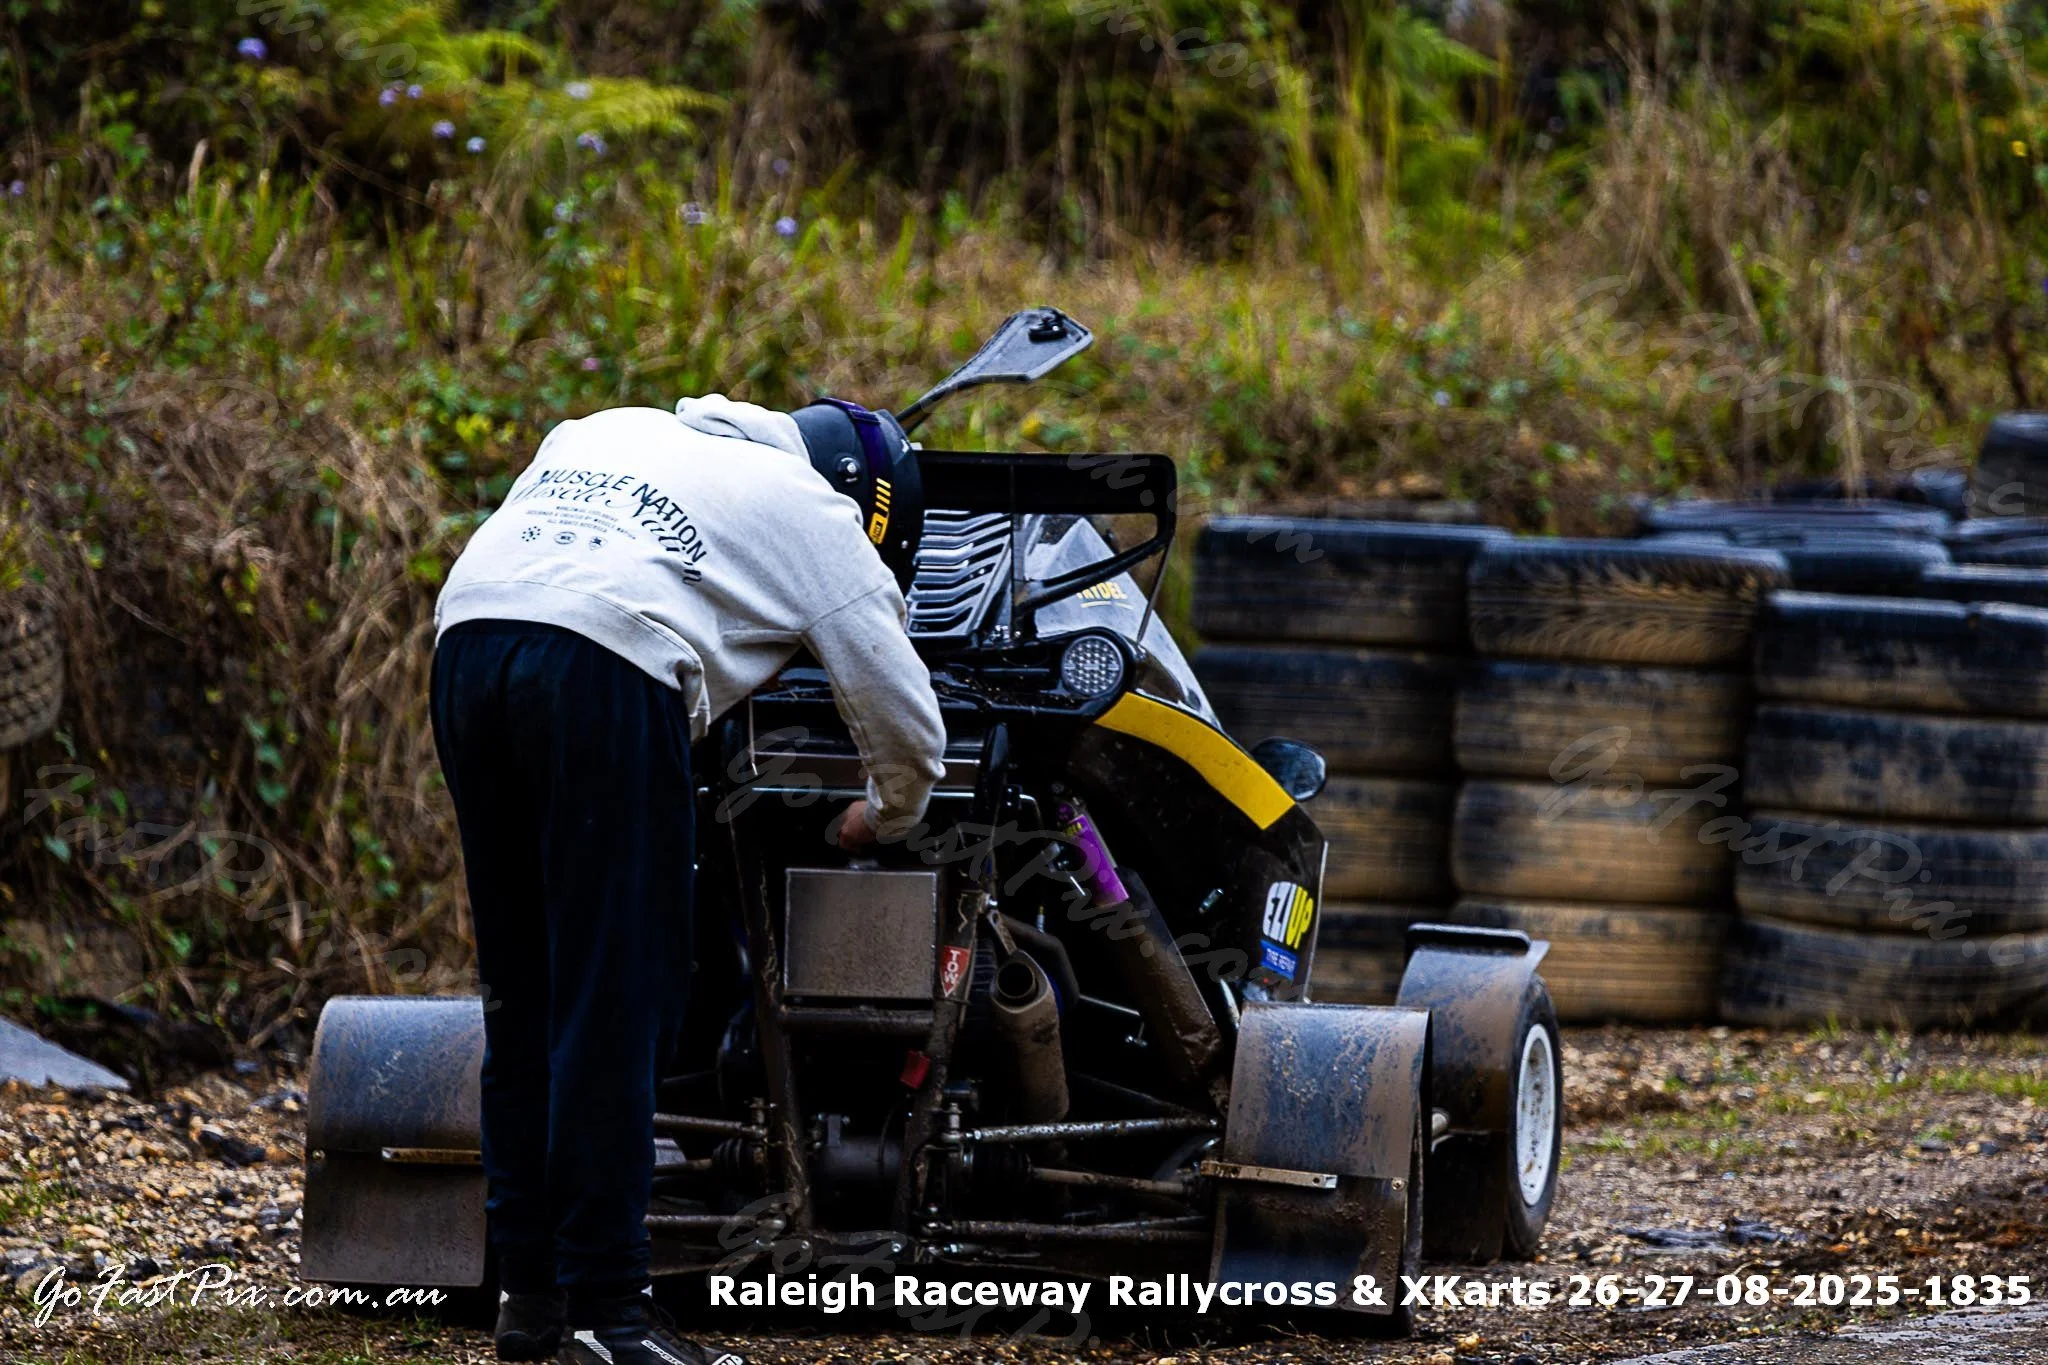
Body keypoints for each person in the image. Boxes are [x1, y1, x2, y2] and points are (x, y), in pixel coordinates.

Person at [429, 396, 946, 1365]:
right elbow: (903, 713)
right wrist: (886, 814)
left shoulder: (608, 429)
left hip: (466, 642)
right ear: (870, 507)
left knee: (523, 995)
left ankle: (531, 1298)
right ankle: (610, 1319)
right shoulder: (815, 512)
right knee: (614, 999)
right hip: (600, 664)